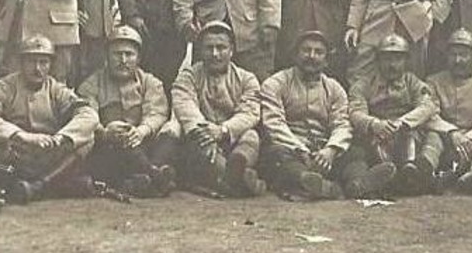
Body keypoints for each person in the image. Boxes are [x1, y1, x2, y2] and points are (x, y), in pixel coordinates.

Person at [0, 34, 99, 211]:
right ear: (20, 63)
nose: (38, 69)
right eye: (31, 62)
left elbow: (88, 114)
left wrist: (61, 137)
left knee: (87, 139)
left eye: (43, 62)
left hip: (48, 156)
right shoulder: (4, 87)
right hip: (13, 155)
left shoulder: (57, 89)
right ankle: (43, 187)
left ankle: (38, 187)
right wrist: (20, 135)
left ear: (51, 65)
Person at [77, 24, 178, 198]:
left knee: (170, 134)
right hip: (108, 145)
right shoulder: (91, 84)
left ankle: (139, 180)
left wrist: (140, 131)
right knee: (107, 151)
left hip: (142, 142)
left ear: (138, 58)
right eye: (117, 54)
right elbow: (86, 115)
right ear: (107, 56)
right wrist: (104, 131)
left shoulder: (150, 82)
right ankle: (154, 176)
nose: (123, 60)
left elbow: (157, 113)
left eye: (129, 54)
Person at [170, 20, 265, 197]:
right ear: (200, 51)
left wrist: (223, 130)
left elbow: (250, 112)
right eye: (209, 48)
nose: (215, 54)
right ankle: (237, 179)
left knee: (251, 135)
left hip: (232, 138)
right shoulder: (188, 77)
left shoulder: (247, 79)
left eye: (221, 48)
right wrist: (206, 132)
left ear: (231, 51)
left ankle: (236, 169)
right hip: (203, 140)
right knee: (199, 144)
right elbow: (185, 107)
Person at [259, 29, 353, 200]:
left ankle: (357, 184)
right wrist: (300, 150)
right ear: (295, 55)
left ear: (326, 60)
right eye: (306, 50)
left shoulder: (334, 88)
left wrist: (330, 150)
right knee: (274, 155)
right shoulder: (276, 83)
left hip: (323, 154)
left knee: (356, 152)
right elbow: (274, 123)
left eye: (319, 52)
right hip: (291, 149)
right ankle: (314, 183)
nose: (311, 56)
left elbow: (342, 124)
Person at [342, 34, 440, 197]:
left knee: (431, 136)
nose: (392, 65)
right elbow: (355, 111)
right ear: (378, 60)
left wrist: (402, 122)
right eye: (387, 59)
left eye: (397, 59)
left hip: (407, 136)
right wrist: (374, 124)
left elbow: (427, 106)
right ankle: (384, 177)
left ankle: (411, 171)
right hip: (376, 138)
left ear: (406, 61)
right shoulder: (364, 83)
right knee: (357, 149)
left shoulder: (412, 82)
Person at [425, 27, 472, 188]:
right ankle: (425, 172)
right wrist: (452, 132)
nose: (458, 60)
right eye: (453, 54)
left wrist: (471, 138)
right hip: (446, 136)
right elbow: (430, 114)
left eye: (463, 55)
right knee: (432, 136)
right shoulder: (433, 82)